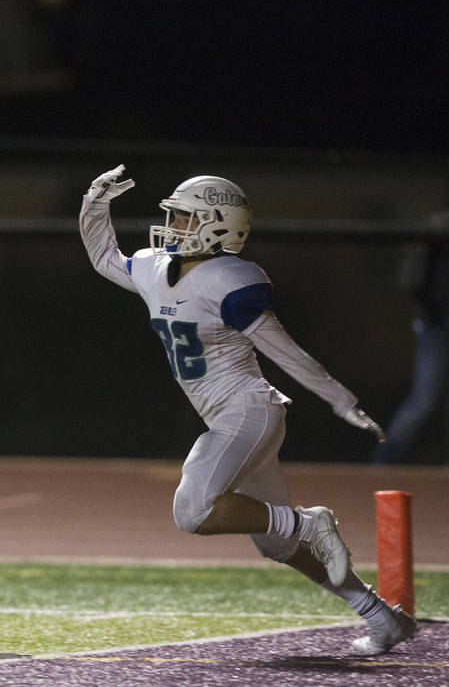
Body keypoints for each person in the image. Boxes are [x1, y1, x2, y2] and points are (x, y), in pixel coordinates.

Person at [79, 165, 416, 654]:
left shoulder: (230, 279)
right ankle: (382, 617)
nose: (172, 227)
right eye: (172, 217)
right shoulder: (156, 268)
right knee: (277, 543)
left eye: (184, 219)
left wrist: (340, 398)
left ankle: (311, 522)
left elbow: (283, 350)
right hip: (231, 417)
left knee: (193, 511)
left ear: (219, 226)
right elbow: (105, 257)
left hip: (247, 410)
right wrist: (95, 203)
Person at [373, 160, 449, 467]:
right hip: (441, 330)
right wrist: (433, 314)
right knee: (424, 402)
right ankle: (382, 464)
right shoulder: (440, 225)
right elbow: (412, 275)